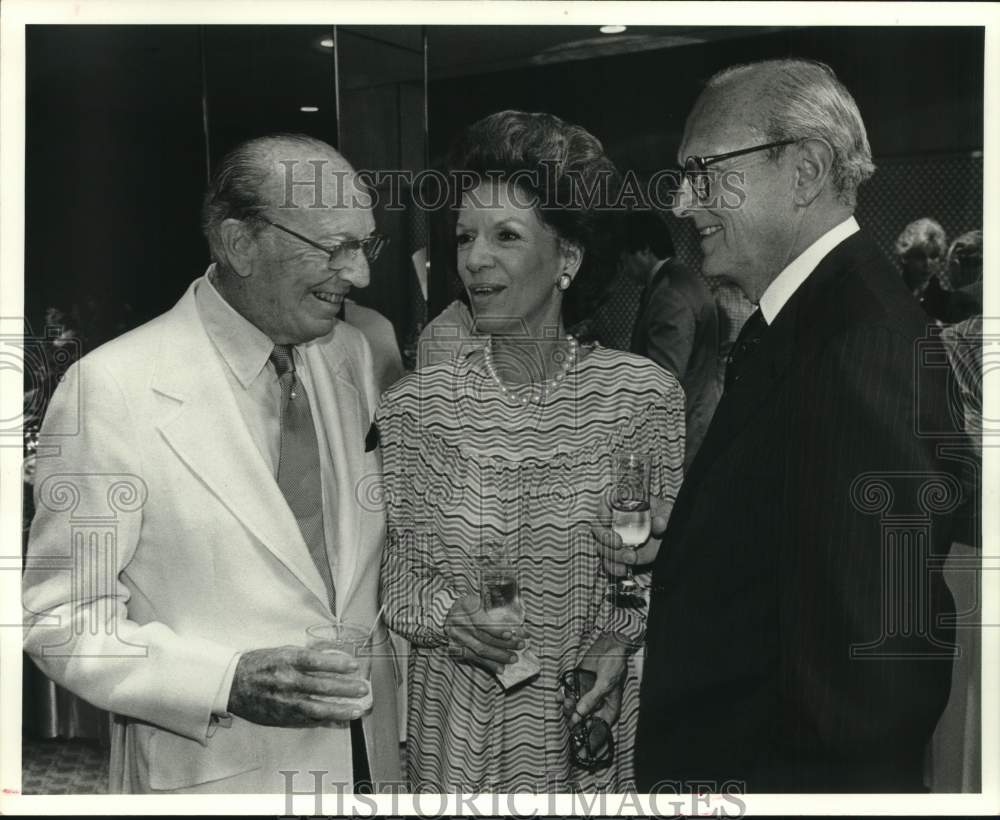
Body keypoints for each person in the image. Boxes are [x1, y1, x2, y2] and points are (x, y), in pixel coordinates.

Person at [597, 59, 962, 792]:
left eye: (702, 170)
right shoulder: (816, 316)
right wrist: (703, 537)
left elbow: (876, 671)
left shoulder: (860, 341)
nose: (681, 198)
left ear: (805, 170)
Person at [22, 134, 401, 793]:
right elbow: (61, 619)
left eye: (365, 244)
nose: (361, 273)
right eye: (334, 248)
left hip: (369, 762)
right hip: (220, 775)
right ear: (240, 244)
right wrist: (225, 680)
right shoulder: (110, 390)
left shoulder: (350, 356)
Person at [377, 110, 685, 792]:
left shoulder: (640, 397)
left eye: (505, 236)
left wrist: (620, 638)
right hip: (458, 724)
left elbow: (660, 567)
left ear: (568, 259)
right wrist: (451, 623)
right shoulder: (415, 408)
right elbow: (396, 580)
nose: (473, 259)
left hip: (587, 718)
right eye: (464, 236)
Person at [625, 209, 721, 467]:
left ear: (644, 250)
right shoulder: (680, 279)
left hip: (684, 432)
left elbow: (663, 379)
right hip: (695, 422)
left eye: (625, 258)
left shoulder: (669, 293)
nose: (624, 269)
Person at [895, 217, 949, 320]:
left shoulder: (945, 303)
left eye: (933, 256)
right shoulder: (891, 295)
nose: (927, 264)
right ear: (905, 257)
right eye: (919, 256)